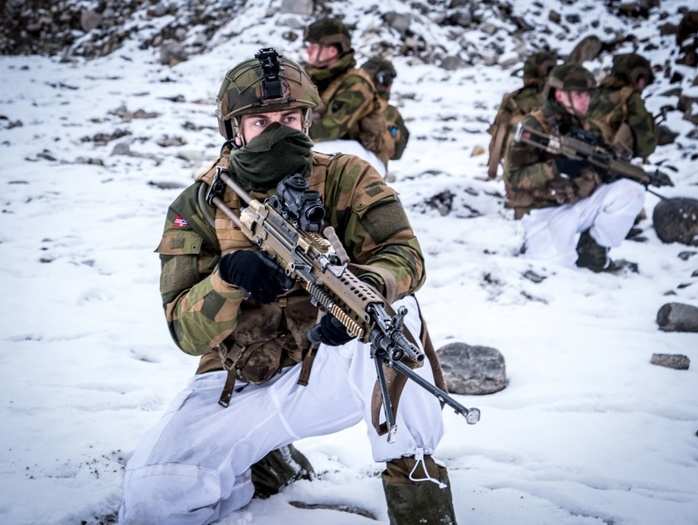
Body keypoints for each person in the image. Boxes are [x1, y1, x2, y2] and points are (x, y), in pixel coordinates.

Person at [119, 49, 457, 525]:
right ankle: (263, 461)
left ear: (306, 120)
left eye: (289, 118)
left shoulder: (346, 176)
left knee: (395, 321)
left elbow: (405, 257)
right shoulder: (197, 205)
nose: (278, 131)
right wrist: (227, 278)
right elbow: (185, 332)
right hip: (240, 378)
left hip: (330, 364)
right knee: (155, 495)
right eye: (260, 122)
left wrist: (362, 293)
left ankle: (418, 491)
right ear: (234, 130)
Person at [503, 64, 645, 272]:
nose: (586, 100)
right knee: (557, 273)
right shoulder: (534, 127)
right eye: (579, 94)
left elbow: (599, 164)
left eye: (588, 95)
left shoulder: (586, 126)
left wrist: (601, 173)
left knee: (630, 192)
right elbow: (513, 178)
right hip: (541, 213)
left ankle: (593, 251)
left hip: (575, 204)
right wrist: (555, 167)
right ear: (560, 95)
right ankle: (534, 244)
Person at [303, 17, 390, 172]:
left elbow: (330, 129)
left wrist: (286, 134)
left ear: (332, 51)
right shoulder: (313, 78)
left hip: (367, 157)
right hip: (337, 150)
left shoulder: (356, 84)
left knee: (304, 153)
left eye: (314, 46)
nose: (308, 50)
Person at [487, 50, 558, 178]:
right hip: (535, 165)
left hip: (514, 165)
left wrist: (493, 166)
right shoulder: (548, 98)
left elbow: (496, 137)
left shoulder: (513, 98)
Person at [588, 53, 657, 160]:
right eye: (642, 79)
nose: (643, 85)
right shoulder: (631, 97)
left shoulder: (597, 92)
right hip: (612, 161)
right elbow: (646, 146)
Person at [361, 56, 411, 161]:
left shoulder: (391, 112)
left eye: (390, 80)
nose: (389, 85)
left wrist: (393, 134)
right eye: (385, 79)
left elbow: (398, 153)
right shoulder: (349, 102)